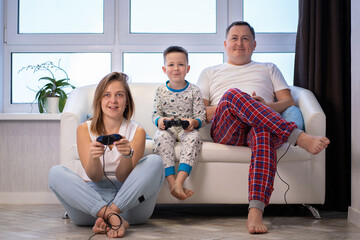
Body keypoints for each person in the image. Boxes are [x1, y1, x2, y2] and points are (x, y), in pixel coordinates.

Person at [197, 21, 330, 234]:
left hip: (264, 124)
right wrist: (236, 104)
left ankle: (256, 210)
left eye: (245, 38)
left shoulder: (269, 68)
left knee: (263, 132)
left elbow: (288, 102)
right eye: (234, 38)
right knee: (232, 94)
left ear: (254, 44)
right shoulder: (210, 72)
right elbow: (201, 112)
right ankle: (297, 136)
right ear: (225, 43)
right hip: (227, 128)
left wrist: (263, 106)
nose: (239, 43)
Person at [49, 72, 164, 238]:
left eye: (119, 95)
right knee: (56, 173)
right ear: (99, 101)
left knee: (155, 161)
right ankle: (113, 218)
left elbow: (123, 177)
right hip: (91, 205)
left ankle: (112, 215)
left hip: (129, 205)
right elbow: (94, 177)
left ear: (126, 102)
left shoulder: (137, 131)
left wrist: (126, 156)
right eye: (107, 95)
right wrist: (94, 157)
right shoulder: (84, 129)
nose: (113, 101)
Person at [152, 46, 206, 200]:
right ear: (164, 69)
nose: (176, 68)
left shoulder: (194, 91)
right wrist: (160, 121)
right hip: (167, 130)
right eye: (171, 65)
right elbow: (155, 114)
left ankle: (179, 182)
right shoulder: (160, 90)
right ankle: (172, 183)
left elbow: (201, 117)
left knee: (194, 137)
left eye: (181, 64)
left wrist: (193, 122)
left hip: (185, 130)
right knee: (161, 137)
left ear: (187, 68)